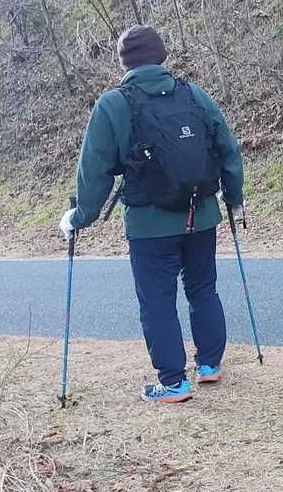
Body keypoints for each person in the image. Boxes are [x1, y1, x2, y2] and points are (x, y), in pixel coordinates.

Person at [59, 25, 245, 404]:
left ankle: (174, 383)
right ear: (162, 55)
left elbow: (94, 171)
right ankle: (209, 365)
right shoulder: (194, 94)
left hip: (149, 225)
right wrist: (234, 198)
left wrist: (79, 217)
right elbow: (228, 150)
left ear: (124, 62)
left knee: (157, 301)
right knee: (203, 290)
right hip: (202, 216)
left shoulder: (112, 105)